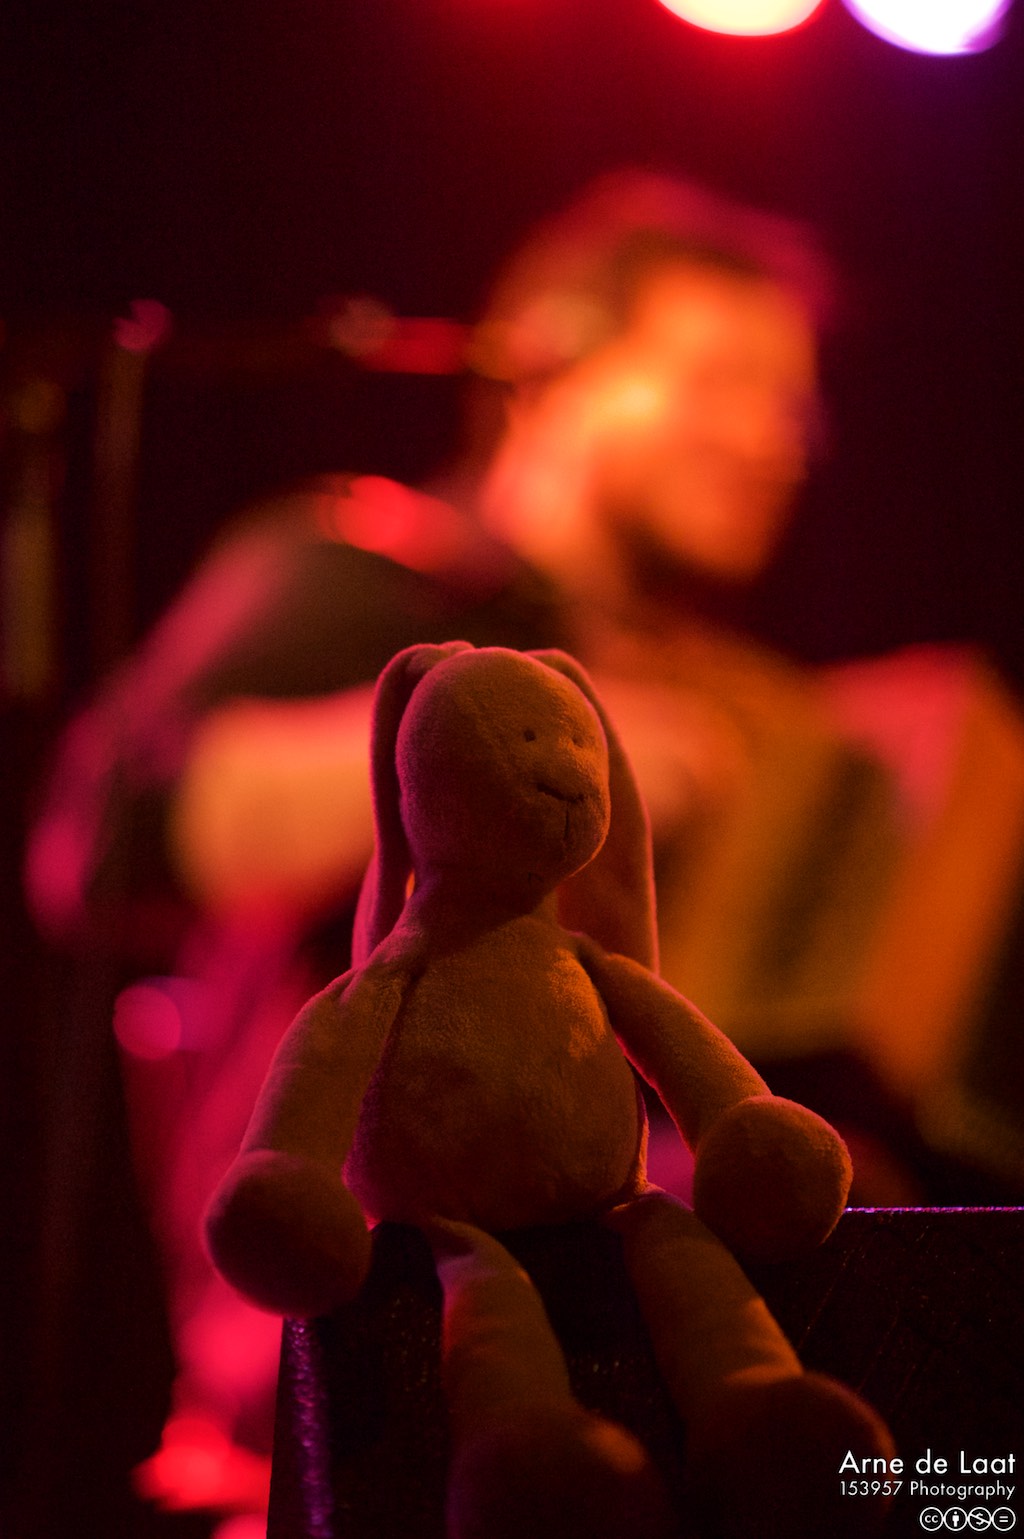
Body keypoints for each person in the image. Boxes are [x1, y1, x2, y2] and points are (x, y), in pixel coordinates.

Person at [27, 169, 1009, 1532]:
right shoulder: (368, 571)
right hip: (373, 1364)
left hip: (647, 1347)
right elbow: (105, 837)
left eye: (792, 401)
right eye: (722, 381)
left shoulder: (746, 700)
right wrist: (479, 750)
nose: (778, 438)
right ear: (546, 373)